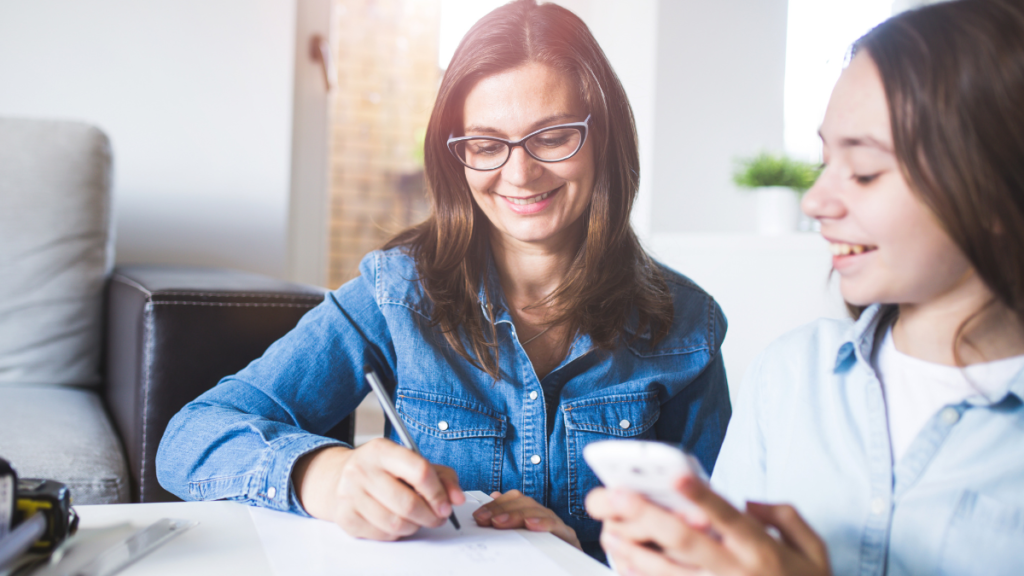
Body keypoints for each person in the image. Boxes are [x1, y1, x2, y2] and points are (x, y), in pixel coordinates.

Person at [156, 0, 731, 561]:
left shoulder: (688, 328)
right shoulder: (396, 292)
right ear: (455, 156)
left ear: (604, 137)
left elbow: (713, 551)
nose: (520, 173)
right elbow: (189, 438)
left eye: (552, 137)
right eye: (485, 144)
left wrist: (588, 558)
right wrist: (324, 474)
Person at [586, 0, 1024, 574]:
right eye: (823, 162)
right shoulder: (790, 375)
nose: (816, 202)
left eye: (864, 171)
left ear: (996, 186)